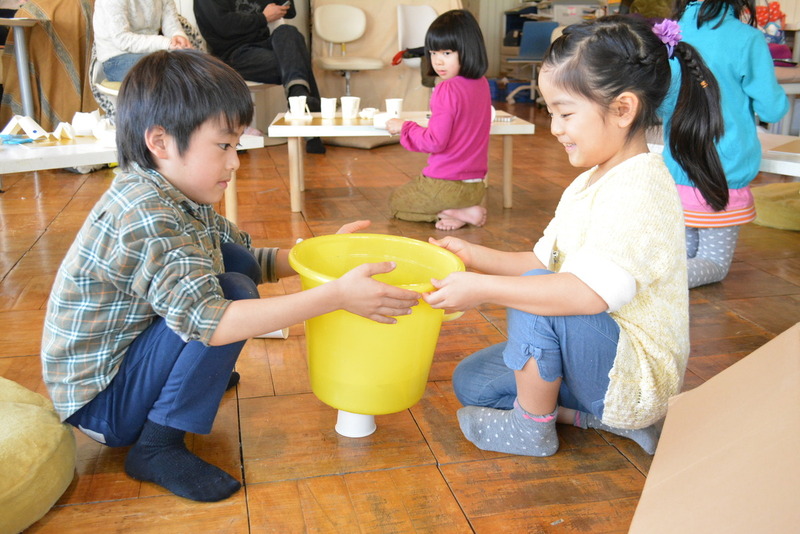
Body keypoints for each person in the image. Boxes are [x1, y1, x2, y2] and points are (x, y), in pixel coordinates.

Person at [40, 50, 420, 503]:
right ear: (160, 142)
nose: (235, 161)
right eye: (224, 146)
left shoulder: (178, 192)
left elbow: (249, 258)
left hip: (126, 369)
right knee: (233, 295)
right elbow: (212, 321)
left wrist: (320, 255)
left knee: (234, 263)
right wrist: (336, 295)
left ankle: (189, 382)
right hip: (102, 408)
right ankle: (156, 447)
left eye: (236, 145)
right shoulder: (143, 212)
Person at [421, 15, 724, 456]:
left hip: (634, 376)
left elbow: (582, 295)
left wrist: (482, 289)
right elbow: (544, 261)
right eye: (551, 113)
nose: (555, 128)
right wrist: (471, 255)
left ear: (623, 109)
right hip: (597, 356)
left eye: (565, 113)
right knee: (474, 382)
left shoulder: (640, 188)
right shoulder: (591, 179)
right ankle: (590, 417)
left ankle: (532, 429)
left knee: (537, 293)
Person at [662, 0, 789, 288]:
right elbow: (772, 110)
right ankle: (656, 282)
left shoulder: (670, 34)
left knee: (685, 256)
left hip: (677, 167)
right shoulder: (747, 38)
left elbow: (661, 103)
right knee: (713, 264)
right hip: (724, 172)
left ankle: (654, 280)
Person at [385, 9, 491, 231]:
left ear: (467, 50)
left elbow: (434, 142)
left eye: (447, 53)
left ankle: (452, 212)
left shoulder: (446, 88)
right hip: (476, 187)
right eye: (433, 53)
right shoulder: (481, 83)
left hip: (446, 185)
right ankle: (460, 212)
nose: (438, 61)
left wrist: (404, 127)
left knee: (396, 203)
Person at [193, 0, 325, 154]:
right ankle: (308, 122)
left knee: (289, 32)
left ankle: (297, 95)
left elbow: (289, 11)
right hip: (232, 53)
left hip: (264, 44)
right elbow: (223, 26)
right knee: (295, 58)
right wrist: (263, 18)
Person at [93, 0, 193, 82]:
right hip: (117, 58)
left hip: (151, 53)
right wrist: (166, 43)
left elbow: (172, 24)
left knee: (193, 65)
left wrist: (178, 36)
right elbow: (122, 40)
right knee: (171, 72)